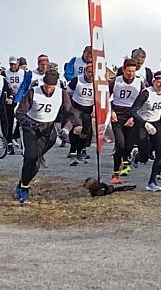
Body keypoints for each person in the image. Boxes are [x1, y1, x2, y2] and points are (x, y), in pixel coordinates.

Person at [12, 70, 71, 204]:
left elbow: (70, 114)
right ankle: (24, 190)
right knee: (31, 157)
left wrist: (66, 128)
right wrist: (29, 123)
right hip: (31, 130)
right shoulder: (33, 92)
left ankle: (21, 185)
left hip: (48, 132)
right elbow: (20, 113)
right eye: (46, 85)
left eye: (51, 86)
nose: (48, 89)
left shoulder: (62, 94)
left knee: (35, 162)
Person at [131, 71, 161, 192]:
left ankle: (152, 181)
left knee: (160, 151)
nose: (160, 85)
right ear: (153, 82)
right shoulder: (146, 93)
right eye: (158, 82)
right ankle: (137, 156)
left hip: (156, 122)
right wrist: (145, 124)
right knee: (145, 157)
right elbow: (133, 110)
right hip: (142, 123)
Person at [109, 59, 146, 184]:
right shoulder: (115, 81)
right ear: (123, 70)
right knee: (120, 144)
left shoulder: (140, 82)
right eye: (128, 71)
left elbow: (143, 101)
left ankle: (125, 161)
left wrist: (133, 117)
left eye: (133, 71)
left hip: (132, 114)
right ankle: (115, 173)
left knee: (129, 145)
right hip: (117, 114)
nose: (131, 74)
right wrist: (111, 111)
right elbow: (105, 98)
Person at [67, 63, 95, 166]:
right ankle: (73, 152)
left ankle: (79, 153)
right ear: (85, 72)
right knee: (77, 129)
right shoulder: (77, 80)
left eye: (93, 72)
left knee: (85, 133)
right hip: (76, 107)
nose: (91, 75)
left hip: (88, 109)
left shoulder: (97, 82)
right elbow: (68, 92)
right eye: (89, 72)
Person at [4, 56, 25, 151]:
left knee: (21, 120)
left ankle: (16, 136)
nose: (13, 66)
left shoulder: (23, 73)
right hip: (9, 100)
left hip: (20, 99)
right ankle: (9, 143)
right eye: (11, 64)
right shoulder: (5, 73)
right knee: (9, 121)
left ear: (18, 63)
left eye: (14, 64)